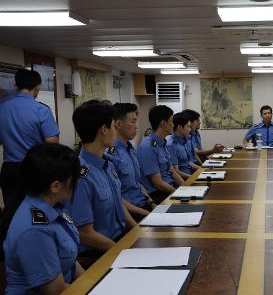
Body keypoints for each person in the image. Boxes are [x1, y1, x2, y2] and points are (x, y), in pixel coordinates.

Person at [3, 143, 84, 294]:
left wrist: (91, 282)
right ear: (55, 186)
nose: (78, 181)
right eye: (74, 177)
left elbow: (69, 260)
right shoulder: (35, 230)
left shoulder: (53, 204)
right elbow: (55, 290)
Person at [0, 69, 60, 253]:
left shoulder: (2, 107)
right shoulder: (40, 109)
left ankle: (8, 252)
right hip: (35, 168)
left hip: (9, 168)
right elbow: (52, 141)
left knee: (11, 211)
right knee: (37, 211)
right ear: (38, 86)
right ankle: (36, 251)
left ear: (15, 85)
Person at [67, 100, 136, 256]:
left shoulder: (107, 163)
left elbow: (118, 202)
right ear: (104, 129)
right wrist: (121, 251)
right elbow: (84, 233)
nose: (115, 131)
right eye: (113, 126)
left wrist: (137, 230)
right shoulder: (81, 176)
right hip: (98, 252)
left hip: (119, 240)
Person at [106, 103, 155, 221]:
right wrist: (146, 213)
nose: (137, 126)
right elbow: (116, 197)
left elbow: (138, 184)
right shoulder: (110, 154)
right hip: (130, 213)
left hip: (145, 204)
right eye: (133, 122)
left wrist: (152, 203)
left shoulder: (131, 149)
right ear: (118, 124)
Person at [138, 105, 185, 204]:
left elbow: (172, 171)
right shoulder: (148, 147)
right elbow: (158, 183)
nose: (173, 125)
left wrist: (185, 188)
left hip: (170, 189)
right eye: (171, 121)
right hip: (158, 195)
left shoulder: (162, 143)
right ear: (163, 123)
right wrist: (178, 193)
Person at [168, 112, 200, 179]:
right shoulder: (171, 145)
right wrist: (194, 178)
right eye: (188, 127)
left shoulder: (183, 141)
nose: (190, 129)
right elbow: (175, 171)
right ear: (179, 127)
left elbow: (187, 162)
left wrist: (202, 169)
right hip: (183, 181)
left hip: (189, 175)